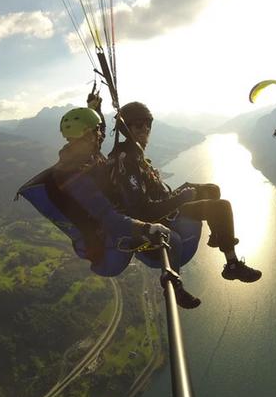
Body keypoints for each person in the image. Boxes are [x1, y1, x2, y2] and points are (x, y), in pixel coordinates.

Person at [17, 106, 201, 308]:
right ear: (88, 135)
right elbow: (109, 218)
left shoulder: (85, 157)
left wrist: (95, 106)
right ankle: (175, 291)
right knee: (171, 239)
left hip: (110, 232)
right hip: (110, 246)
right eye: (96, 131)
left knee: (160, 229)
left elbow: (100, 134)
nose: (101, 134)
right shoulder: (74, 176)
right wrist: (146, 228)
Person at [108, 101, 262, 283]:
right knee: (221, 207)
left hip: (164, 200)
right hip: (161, 216)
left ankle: (217, 237)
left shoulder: (133, 152)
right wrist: (180, 199)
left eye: (148, 124)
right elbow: (143, 211)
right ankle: (232, 265)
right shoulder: (127, 160)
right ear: (126, 129)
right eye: (138, 125)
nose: (145, 129)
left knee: (212, 190)